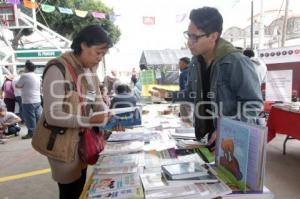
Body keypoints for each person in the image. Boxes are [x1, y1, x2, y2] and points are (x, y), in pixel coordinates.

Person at [150, 7, 262, 149]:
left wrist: (227, 129)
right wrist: (168, 94)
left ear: (213, 36)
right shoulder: (196, 63)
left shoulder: (235, 62)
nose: (189, 42)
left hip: (233, 144)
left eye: (195, 37)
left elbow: (253, 104)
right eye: (188, 35)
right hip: (205, 139)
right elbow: (192, 94)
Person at [31, 25, 112, 199]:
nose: (99, 59)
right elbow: (53, 115)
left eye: (103, 55)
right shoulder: (57, 69)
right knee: (70, 191)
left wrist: (106, 113)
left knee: (81, 186)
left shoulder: (88, 70)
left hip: (83, 140)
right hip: (61, 142)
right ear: (83, 45)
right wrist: (90, 120)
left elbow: (95, 100)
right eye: (98, 53)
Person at [16, 60, 42, 139]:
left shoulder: (24, 76)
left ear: (26, 67)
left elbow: (17, 85)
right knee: (37, 116)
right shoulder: (37, 76)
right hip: (37, 99)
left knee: (29, 117)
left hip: (28, 100)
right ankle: (39, 132)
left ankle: (31, 133)